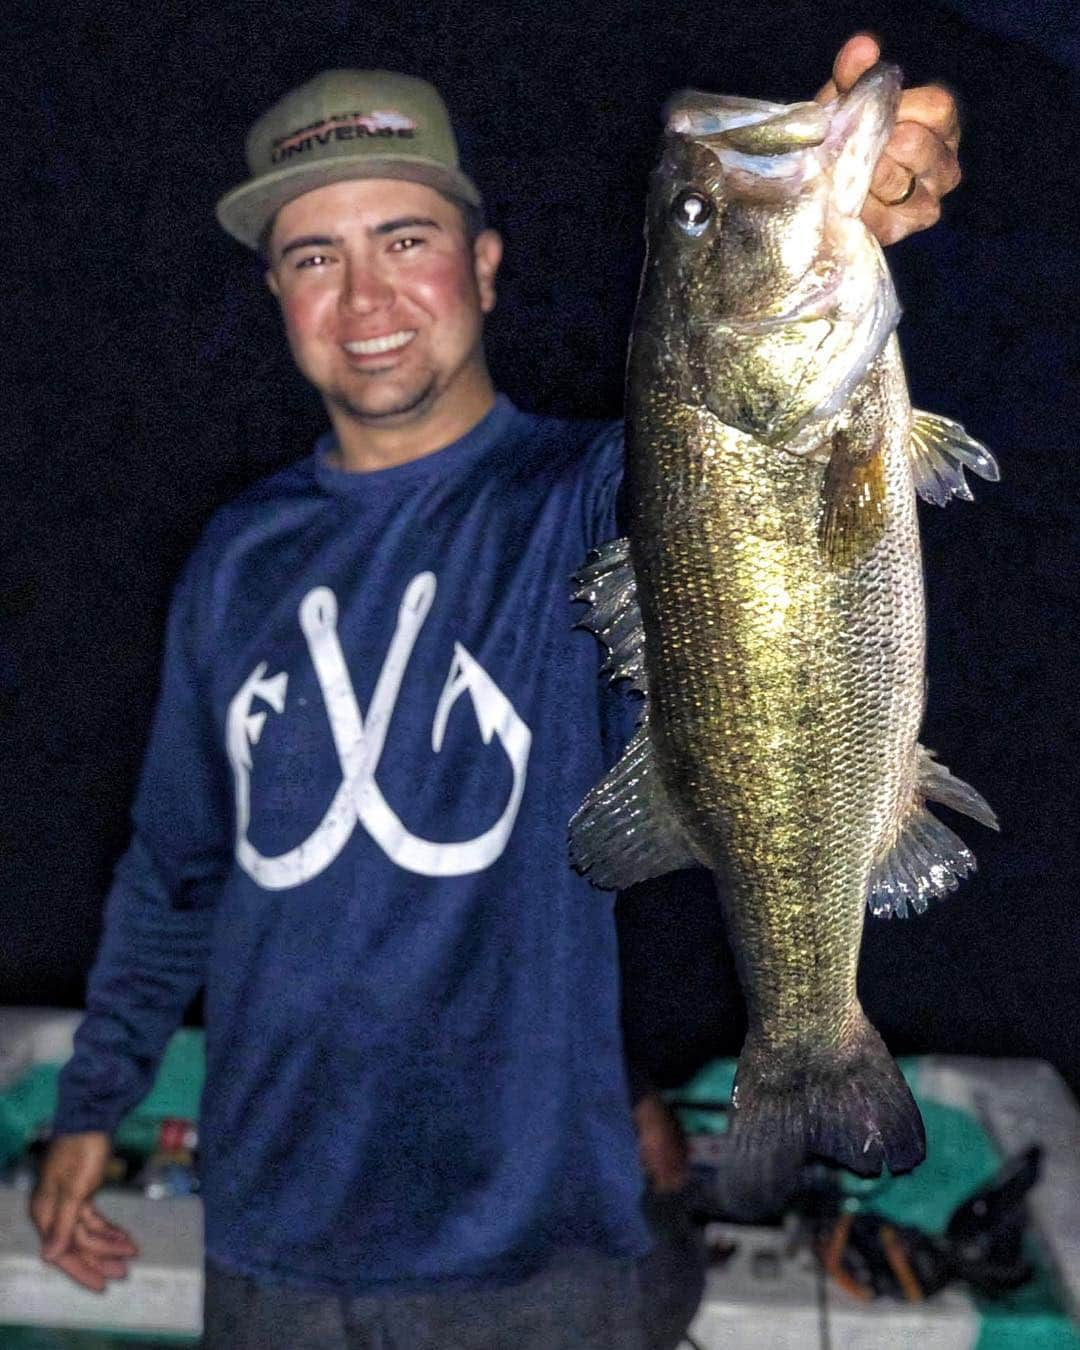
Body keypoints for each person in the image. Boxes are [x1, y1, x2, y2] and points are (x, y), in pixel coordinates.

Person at [30, 34, 961, 1350]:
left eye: (405, 238)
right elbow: (173, 870)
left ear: (484, 262)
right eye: (314, 256)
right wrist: (92, 1101)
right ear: (275, 294)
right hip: (270, 1238)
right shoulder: (232, 560)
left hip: (533, 1252)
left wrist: (856, 206)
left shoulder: (586, 500)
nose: (363, 297)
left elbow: (738, 454)